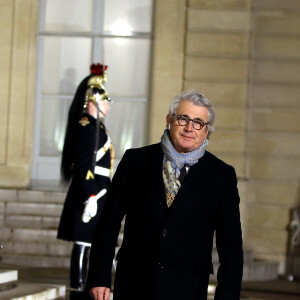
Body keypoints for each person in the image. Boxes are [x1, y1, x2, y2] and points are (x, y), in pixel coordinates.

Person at [86, 90, 243, 300]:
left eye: (198, 122)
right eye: (183, 118)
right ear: (169, 120)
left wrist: (227, 296)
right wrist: (99, 277)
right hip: (133, 284)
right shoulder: (135, 162)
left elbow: (230, 246)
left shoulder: (222, 176)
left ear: (207, 132)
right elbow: (108, 223)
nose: (189, 128)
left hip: (187, 288)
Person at [57, 63, 113, 296]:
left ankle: (83, 284)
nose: (108, 106)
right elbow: (83, 165)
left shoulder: (96, 126)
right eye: (105, 101)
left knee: (91, 241)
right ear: (92, 102)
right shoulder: (86, 126)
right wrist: (90, 194)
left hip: (99, 188)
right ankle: (77, 286)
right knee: (84, 241)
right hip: (90, 190)